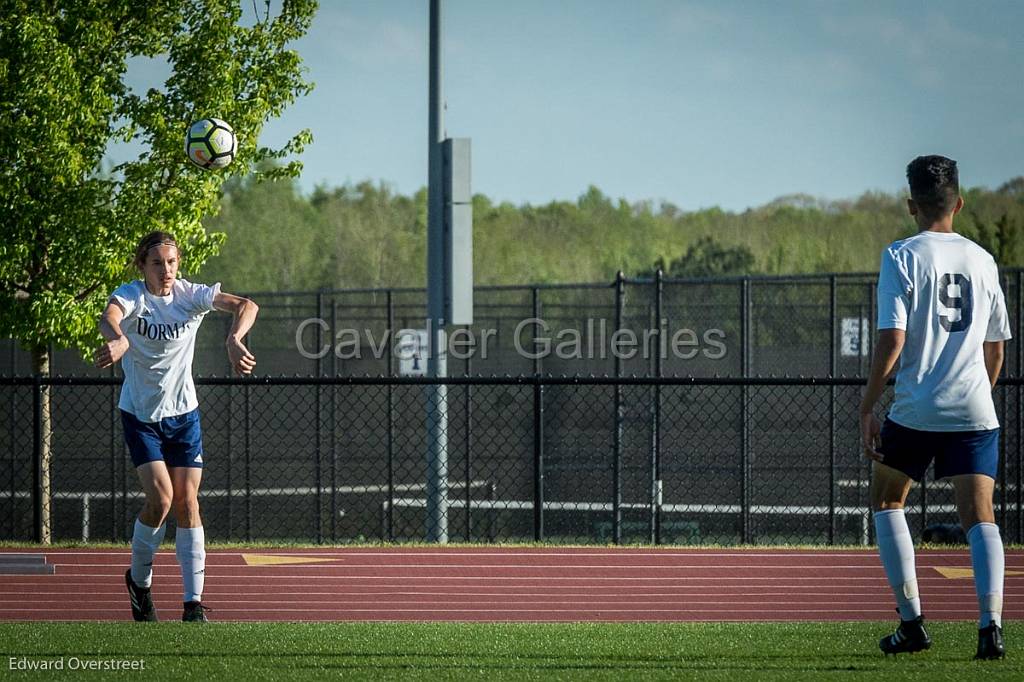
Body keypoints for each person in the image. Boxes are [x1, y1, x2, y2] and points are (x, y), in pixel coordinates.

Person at [859, 155, 1010, 659]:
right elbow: (996, 349)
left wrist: (868, 404)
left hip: (917, 407)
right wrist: (976, 394)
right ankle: (991, 629)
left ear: (911, 206)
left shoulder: (900, 255)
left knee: (887, 500)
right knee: (979, 517)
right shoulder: (983, 259)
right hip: (974, 409)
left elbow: (892, 339)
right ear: (959, 203)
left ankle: (912, 624)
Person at [94, 231, 258, 622]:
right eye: (157, 263)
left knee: (188, 502)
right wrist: (117, 340)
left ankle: (192, 604)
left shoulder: (190, 295)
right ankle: (139, 581)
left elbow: (247, 305)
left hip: (184, 415)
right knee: (162, 500)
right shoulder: (133, 295)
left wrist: (235, 337)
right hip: (141, 416)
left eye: (171, 262)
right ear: (142, 266)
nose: (166, 270)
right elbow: (109, 316)